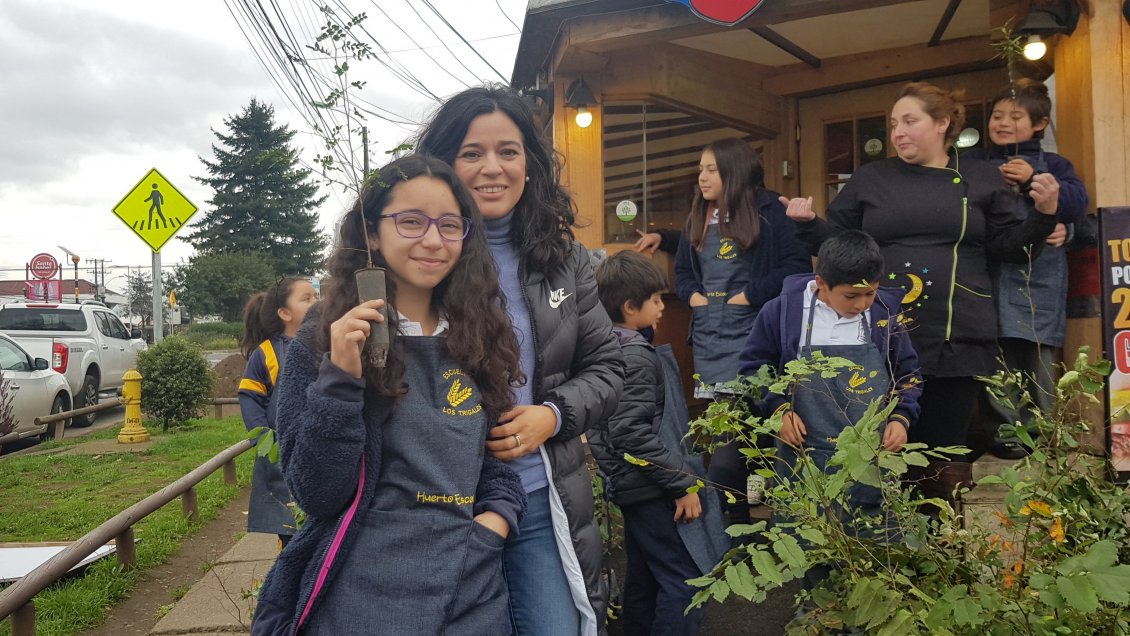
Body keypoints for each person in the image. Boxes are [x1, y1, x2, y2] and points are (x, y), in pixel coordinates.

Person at [251, 155, 529, 635]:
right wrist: (339, 378)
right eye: (411, 222)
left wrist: (496, 523)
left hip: (471, 585)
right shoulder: (325, 336)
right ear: (372, 234)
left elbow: (493, 463)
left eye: (449, 225)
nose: (433, 240)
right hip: (362, 590)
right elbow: (316, 494)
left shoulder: (477, 334)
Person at [780, 82, 1059, 504]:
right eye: (894, 124)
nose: (898, 132)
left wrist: (1043, 215)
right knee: (880, 449)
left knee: (942, 456)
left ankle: (940, 549)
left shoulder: (981, 177)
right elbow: (838, 242)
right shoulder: (872, 178)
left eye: (909, 121)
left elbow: (1010, 248)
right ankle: (881, 544)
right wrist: (806, 223)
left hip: (957, 333)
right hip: (882, 335)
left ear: (942, 123)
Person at [415, 84, 625, 636]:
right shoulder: (418, 258)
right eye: (471, 153)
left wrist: (551, 415)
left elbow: (608, 367)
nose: (492, 168)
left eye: (508, 151)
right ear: (441, 165)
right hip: (444, 507)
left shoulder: (563, 261)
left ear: (529, 164)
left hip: (538, 494)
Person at [737, 230, 921, 590]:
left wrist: (902, 417)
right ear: (821, 283)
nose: (863, 303)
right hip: (806, 457)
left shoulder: (884, 316)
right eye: (852, 296)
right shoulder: (783, 312)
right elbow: (753, 370)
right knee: (810, 552)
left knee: (874, 555)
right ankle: (815, 618)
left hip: (871, 460)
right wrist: (778, 411)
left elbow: (909, 375)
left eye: (871, 293)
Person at [673, 137, 812, 529]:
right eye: (700, 169)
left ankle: (730, 524)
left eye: (710, 169)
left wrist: (748, 295)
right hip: (710, 338)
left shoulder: (770, 211)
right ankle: (737, 524)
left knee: (742, 439)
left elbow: (796, 266)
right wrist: (694, 297)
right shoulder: (698, 217)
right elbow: (683, 273)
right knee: (729, 436)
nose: (701, 177)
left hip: (753, 336)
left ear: (732, 172)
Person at [589, 250, 728, 636]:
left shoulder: (605, 346)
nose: (662, 308)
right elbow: (630, 433)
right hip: (651, 486)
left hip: (631, 486)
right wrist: (682, 482)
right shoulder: (634, 354)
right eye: (655, 300)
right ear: (630, 306)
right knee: (685, 581)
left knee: (645, 578)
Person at [962, 78, 1090, 459]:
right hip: (989, 275)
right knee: (995, 358)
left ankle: (1046, 434)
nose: (1002, 122)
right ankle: (1007, 437)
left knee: (1040, 358)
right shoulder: (976, 163)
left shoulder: (1054, 164)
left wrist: (1036, 182)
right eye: (997, 115)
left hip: (1040, 280)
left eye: (1014, 116)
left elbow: (1078, 203)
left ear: (1040, 124)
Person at [238, 276, 318, 549]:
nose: (316, 303)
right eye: (306, 299)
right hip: (281, 455)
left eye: (316, 297)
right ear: (284, 313)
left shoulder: (328, 345)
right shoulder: (268, 352)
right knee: (290, 528)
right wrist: (263, 440)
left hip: (319, 448)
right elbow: (250, 397)